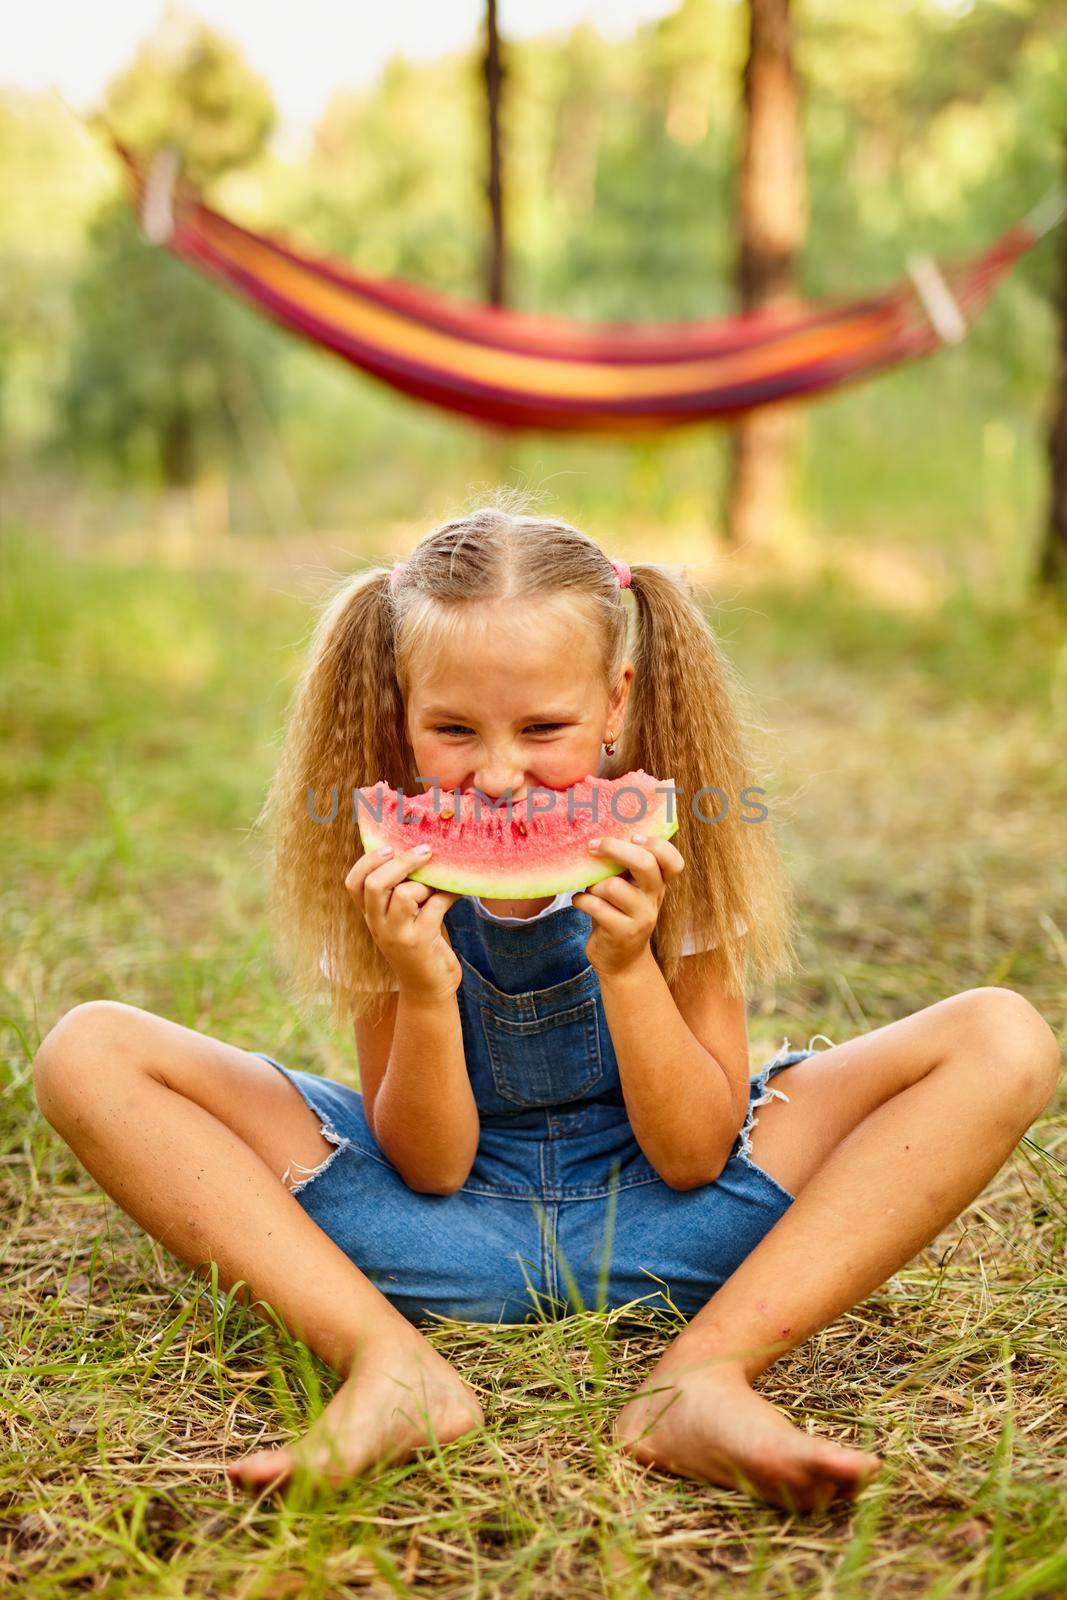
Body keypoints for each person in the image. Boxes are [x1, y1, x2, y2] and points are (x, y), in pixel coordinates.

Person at [32, 503, 1060, 1512]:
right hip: (444, 1228)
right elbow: (424, 1163)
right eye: (450, 729)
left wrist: (628, 967)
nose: (495, 774)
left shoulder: (670, 846)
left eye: (542, 728)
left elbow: (698, 1151)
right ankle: (391, 1364)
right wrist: (425, 988)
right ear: (398, 709)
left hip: (674, 1219)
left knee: (999, 1035)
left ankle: (701, 1375)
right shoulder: (387, 865)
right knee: (90, 1051)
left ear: (615, 701)